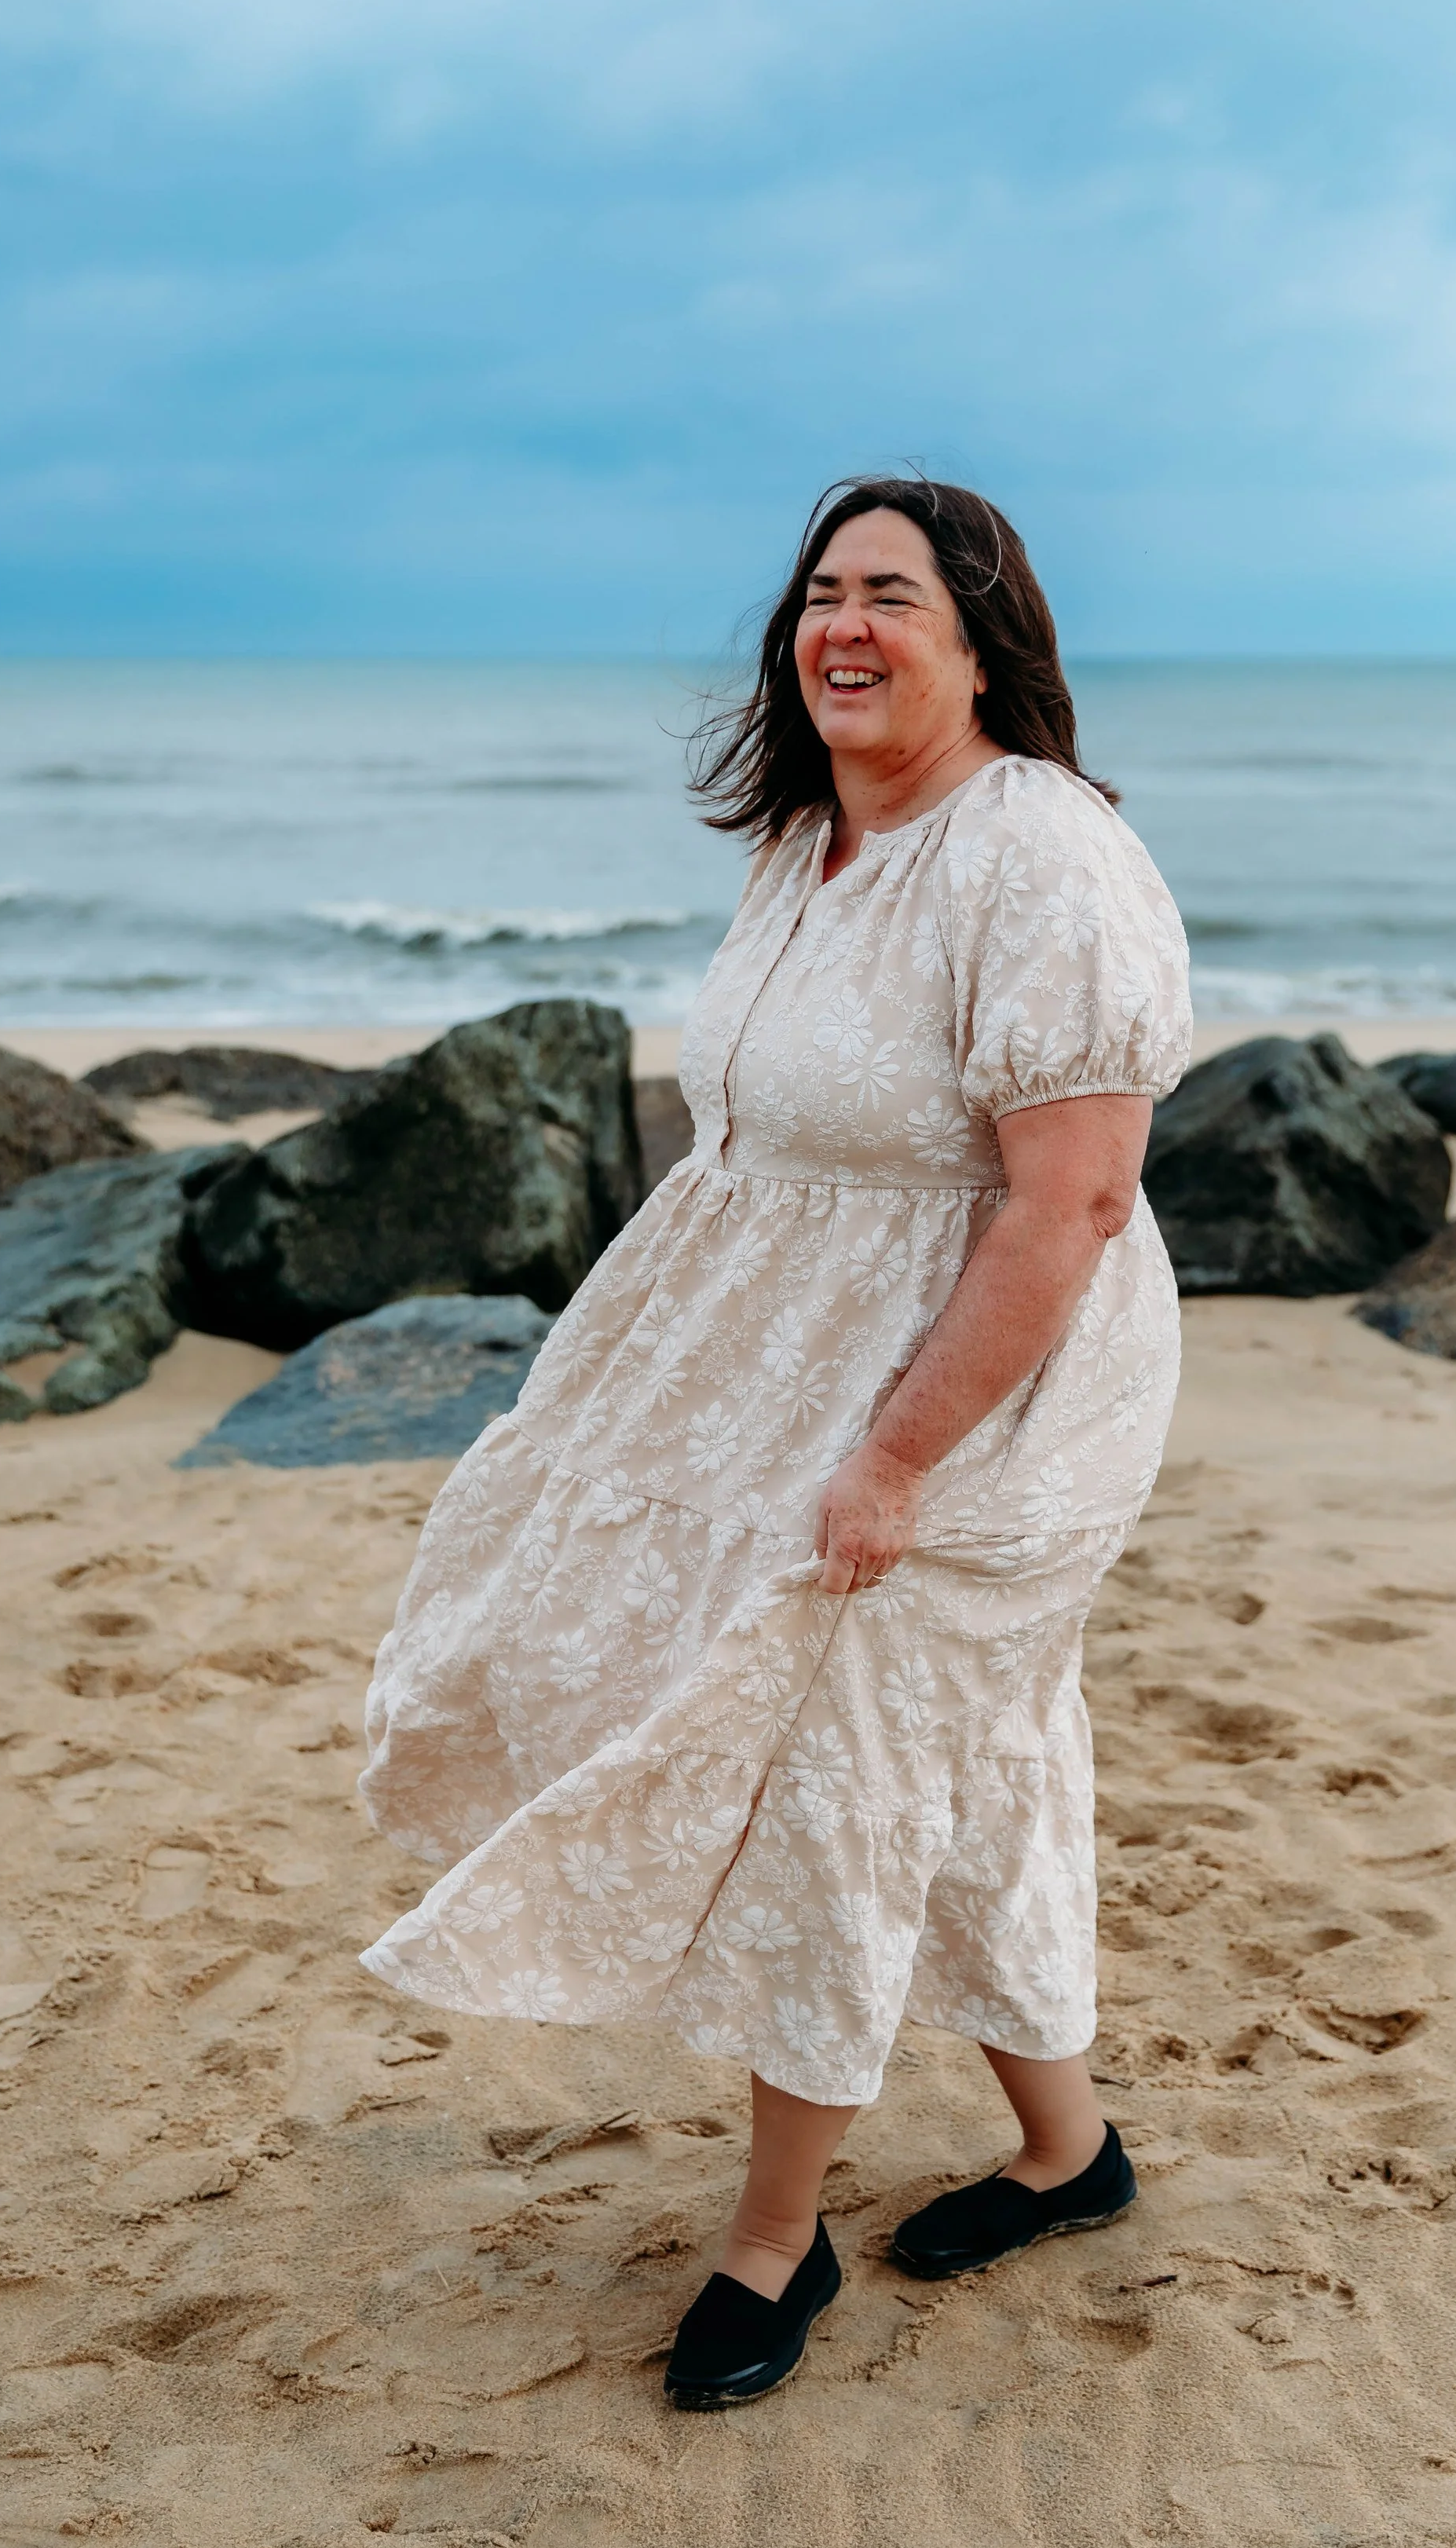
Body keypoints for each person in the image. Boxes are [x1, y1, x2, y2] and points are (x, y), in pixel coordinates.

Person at [359, 477, 1191, 2410]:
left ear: (980, 638)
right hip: (784, 1353)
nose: (845, 628)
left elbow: (1061, 1206)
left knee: (834, 1750)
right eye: (821, 594)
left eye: (892, 597)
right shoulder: (813, 840)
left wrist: (892, 1458)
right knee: (957, 1759)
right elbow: (757, 1151)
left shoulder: (1040, 862)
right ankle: (1070, 2155)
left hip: (994, 1390)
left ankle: (770, 2239)